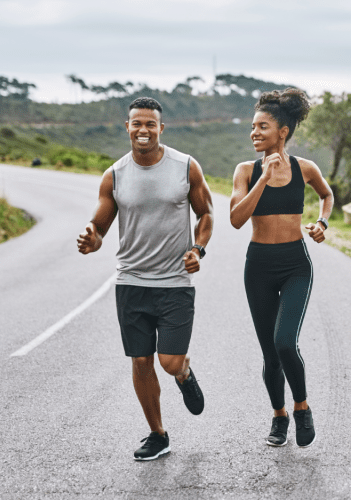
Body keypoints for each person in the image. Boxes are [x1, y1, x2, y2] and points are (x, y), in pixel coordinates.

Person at [77, 97, 214, 461]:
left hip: (174, 283)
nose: (143, 130)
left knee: (169, 361)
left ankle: (183, 373)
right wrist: (91, 239)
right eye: (136, 123)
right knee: (141, 361)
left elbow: (206, 214)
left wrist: (198, 249)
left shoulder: (186, 167)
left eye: (150, 124)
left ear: (160, 128)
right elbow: (99, 226)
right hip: (132, 282)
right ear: (127, 127)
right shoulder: (115, 175)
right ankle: (158, 434)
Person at [229, 88, 334, 448]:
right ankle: (279, 416)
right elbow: (236, 219)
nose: (254, 133)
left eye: (262, 126)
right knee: (270, 355)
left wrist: (322, 223)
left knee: (285, 342)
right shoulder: (245, 171)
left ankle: (302, 408)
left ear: (283, 131)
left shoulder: (305, 168)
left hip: (295, 265)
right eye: (253, 127)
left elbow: (326, 195)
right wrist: (262, 178)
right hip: (258, 266)